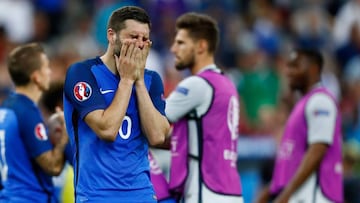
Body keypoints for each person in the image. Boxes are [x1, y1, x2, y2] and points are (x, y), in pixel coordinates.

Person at [63, 6, 170, 202]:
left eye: (144, 39)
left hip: (141, 193)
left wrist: (138, 81)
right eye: (133, 36)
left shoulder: (151, 80)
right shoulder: (83, 73)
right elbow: (107, 130)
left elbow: (157, 136)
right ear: (112, 36)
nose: (139, 44)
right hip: (97, 195)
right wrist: (127, 80)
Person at [165, 12, 244, 203]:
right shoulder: (227, 83)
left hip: (206, 191)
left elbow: (154, 122)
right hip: (231, 191)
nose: (173, 49)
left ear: (201, 46)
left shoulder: (197, 84)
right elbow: (202, 139)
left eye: (181, 43)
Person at [255, 48, 343, 203]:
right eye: (288, 66)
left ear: (314, 69)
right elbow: (291, 160)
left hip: (317, 196)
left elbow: (317, 151)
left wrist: (285, 194)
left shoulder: (320, 101)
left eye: (295, 66)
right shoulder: (303, 104)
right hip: (301, 196)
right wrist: (269, 192)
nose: (289, 71)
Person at [0, 43, 69, 202]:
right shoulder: (27, 112)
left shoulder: (6, 108)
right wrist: (65, 135)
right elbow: (53, 167)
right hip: (30, 198)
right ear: (36, 76)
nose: (50, 72)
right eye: (46, 67)